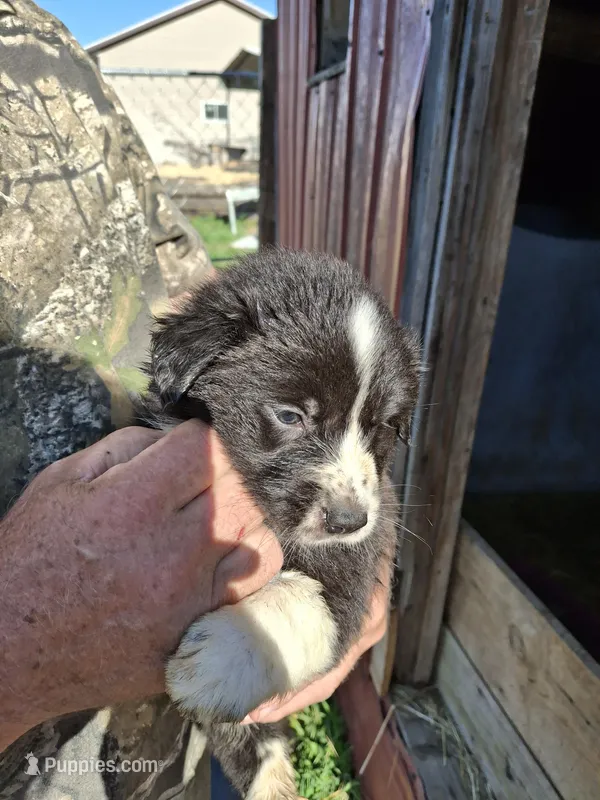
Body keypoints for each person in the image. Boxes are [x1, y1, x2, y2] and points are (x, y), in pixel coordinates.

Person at [0, 2, 388, 798]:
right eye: (295, 417)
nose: (354, 493)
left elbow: (183, 280)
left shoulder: (39, 44)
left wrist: (347, 591)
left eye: (375, 428)